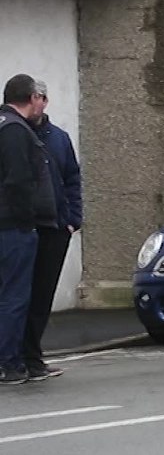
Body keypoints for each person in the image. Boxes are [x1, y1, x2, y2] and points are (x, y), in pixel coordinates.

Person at [24, 81, 82, 381]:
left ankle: (32, 356)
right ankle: (14, 356)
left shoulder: (59, 138)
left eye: (40, 97)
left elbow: (72, 178)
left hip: (55, 228)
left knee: (42, 295)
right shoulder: (13, 134)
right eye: (31, 97)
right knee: (17, 295)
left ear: (45, 101)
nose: (36, 103)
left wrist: (73, 220)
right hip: (21, 227)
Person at [0, 74, 55, 384]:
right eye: (40, 99)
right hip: (12, 227)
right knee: (14, 296)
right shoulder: (16, 130)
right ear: (33, 98)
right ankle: (9, 363)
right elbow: (18, 181)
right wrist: (26, 221)